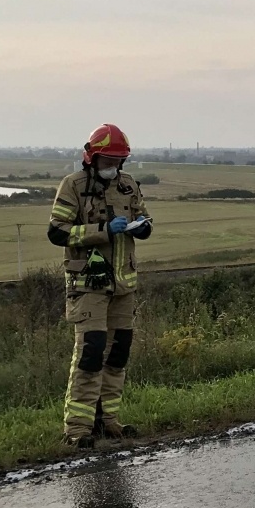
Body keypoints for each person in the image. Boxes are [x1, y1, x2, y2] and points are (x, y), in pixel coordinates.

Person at [48, 124, 153, 446]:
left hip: (123, 284)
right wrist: (103, 230)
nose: (112, 166)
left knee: (118, 353)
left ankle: (109, 421)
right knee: (91, 352)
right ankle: (77, 430)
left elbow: (145, 219)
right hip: (88, 284)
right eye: (106, 160)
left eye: (117, 161)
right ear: (91, 158)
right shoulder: (73, 186)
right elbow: (57, 232)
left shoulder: (128, 185)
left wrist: (141, 228)